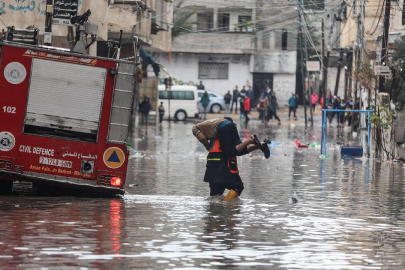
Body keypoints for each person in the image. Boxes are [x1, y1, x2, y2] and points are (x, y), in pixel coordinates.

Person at [192, 117, 270, 200]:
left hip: (212, 169)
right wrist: (253, 145)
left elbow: (237, 151)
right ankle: (226, 205)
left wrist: (207, 147)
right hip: (223, 168)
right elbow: (237, 151)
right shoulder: (224, 136)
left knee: (215, 196)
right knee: (237, 187)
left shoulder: (217, 135)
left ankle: (221, 207)